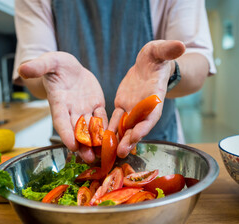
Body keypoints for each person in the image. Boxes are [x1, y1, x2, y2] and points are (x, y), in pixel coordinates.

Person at [13, 0, 216, 163]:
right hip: (72, 145)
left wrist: (168, 69)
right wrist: (53, 76)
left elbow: (198, 63)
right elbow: (32, 70)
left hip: (159, 149)